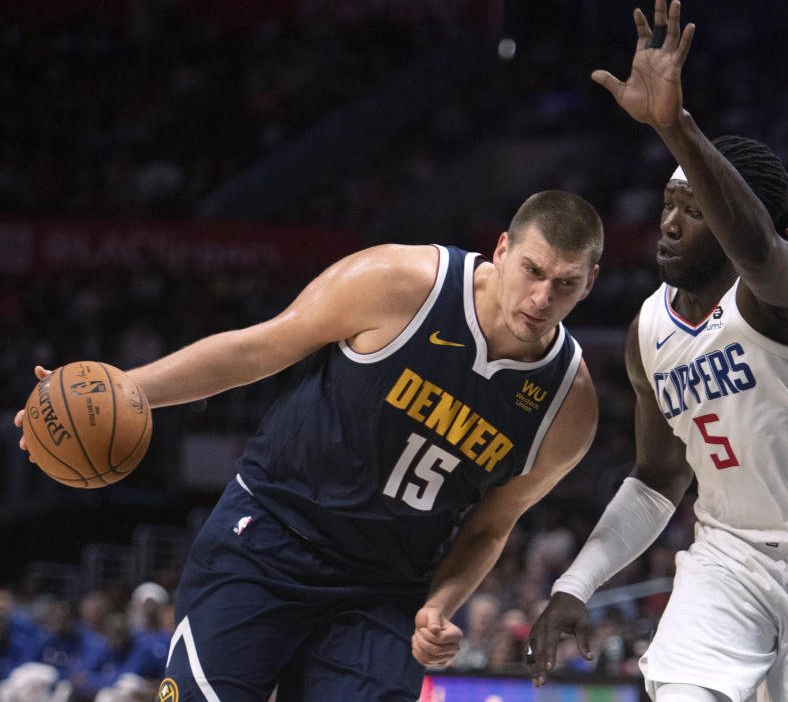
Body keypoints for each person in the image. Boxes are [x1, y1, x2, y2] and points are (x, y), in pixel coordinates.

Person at [15, 189, 603, 700]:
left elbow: (489, 526)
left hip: (384, 587)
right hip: (269, 536)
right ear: (501, 249)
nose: (542, 298)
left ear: (590, 282)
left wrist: (439, 606)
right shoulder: (399, 284)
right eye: (532, 270)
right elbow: (256, 350)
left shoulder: (567, 407)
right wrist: (123, 389)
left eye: (566, 284)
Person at [525, 0, 788, 702]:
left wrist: (676, 125)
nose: (670, 221)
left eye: (693, 209)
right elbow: (655, 480)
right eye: (668, 204)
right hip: (729, 554)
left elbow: (757, 248)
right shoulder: (649, 330)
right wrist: (577, 584)